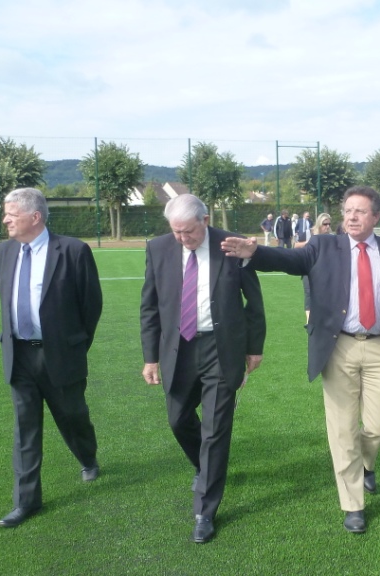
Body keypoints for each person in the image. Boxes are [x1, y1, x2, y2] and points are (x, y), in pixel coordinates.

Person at [221, 186, 380, 535]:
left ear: (376, 217)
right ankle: (353, 504)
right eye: (348, 210)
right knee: (342, 428)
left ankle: (367, 463)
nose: (352, 216)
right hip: (337, 346)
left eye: (360, 211)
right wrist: (255, 252)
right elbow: (290, 261)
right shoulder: (323, 246)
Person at [140, 194, 266, 544]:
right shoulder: (158, 248)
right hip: (177, 349)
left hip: (221, 348)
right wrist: (151, 357)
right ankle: (205, 466)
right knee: (178, 419)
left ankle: (205, 511)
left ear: (206, 220)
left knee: (215, 429)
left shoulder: (232, 246)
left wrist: (254, 347)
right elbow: (149, 307)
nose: (183, 239)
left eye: (189, 232)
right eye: (176, 232)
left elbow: (253, 300)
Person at [0, 187, 103, 528]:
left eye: (11, 213)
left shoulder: (73, 250)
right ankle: (26, 502)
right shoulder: (3, 251)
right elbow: (5, 296)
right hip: (19, 356)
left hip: (60, 355)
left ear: (35, 216)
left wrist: (73, 346)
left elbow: (91, 305)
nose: (5, 219)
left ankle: (87, 456)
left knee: (72, 416)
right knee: (25, 428)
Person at [295, 212, 334, 324]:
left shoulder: (332, 237)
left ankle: (325, 318)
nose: (327, 226)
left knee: (326, 293)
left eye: (329, 224)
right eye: (324, 224)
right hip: (309, 269)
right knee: (309, 293)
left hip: (325, 270)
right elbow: (295, 246)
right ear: (319, 224)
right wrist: (309, 242)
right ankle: (309, 321)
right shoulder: (308, 233)